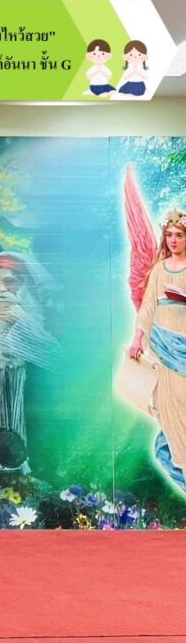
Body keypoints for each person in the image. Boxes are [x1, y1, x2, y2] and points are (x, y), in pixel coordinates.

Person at [129, 209, 186, 489]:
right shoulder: (159, 269)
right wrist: (137, 338)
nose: (173, 240)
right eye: (169, 235)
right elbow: (148, 306)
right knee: (170, 416)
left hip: (183, 348)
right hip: (163, 349)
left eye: (179, 235)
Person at [0, 252, 58, 440]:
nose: (1, 290)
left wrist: (23, 323)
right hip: (10, 396)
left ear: (26, 284)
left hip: (45, 401)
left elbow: (62, 361)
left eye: (10, 281)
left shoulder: (51, 315)